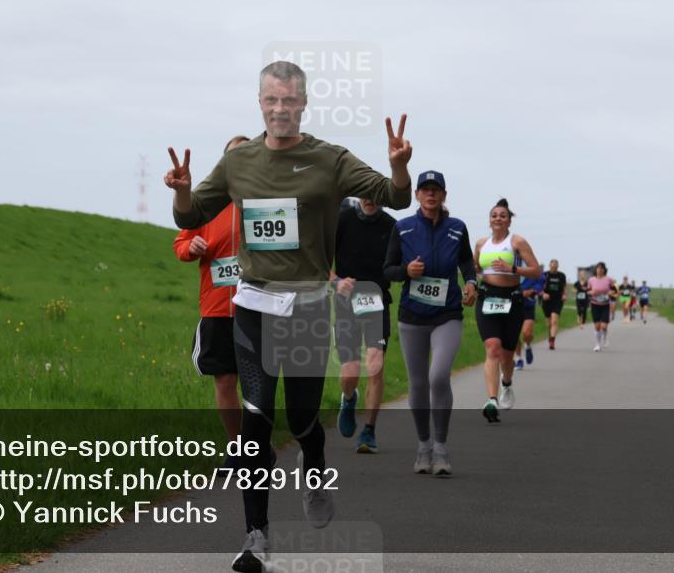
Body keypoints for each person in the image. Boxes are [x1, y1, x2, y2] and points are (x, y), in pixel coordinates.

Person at [166, 60, 412, 573]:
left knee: (302, 419)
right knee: (256, 420)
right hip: (253, 306)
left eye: (290, 101)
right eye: (272, 100)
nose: (280, 109)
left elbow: (395, 196)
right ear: (260, 102)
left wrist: (397, 166)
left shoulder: (330, 159)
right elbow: (190, 217)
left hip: (306, 307)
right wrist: (184, 190)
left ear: (303, 104)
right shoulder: (238, 161)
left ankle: (314, 465)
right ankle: (255, 536)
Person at [383, 171, 476, 474]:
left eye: (436, 190)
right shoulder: (403, 227)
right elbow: (388, 269)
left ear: (444, 195)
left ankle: (441, 447)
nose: (430, 194)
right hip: (412, 316)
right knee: (419, 383)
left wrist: (471, 282)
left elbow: (466, 261)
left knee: (438, 376)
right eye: (425, 189)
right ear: (417, 195)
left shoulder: (457, 228)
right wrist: (406, 272)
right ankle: (423, 445)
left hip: (447, 314)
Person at [173, 135, 249, 459]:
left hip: (258, 307)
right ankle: (239, 449)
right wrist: (191, 247)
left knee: (259, 384)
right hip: (218, 308)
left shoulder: (266, 199)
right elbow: (181, 243)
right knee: (225, 381)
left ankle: (257, 448)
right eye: (233, 157)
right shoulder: (208, 203)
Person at [331, 197, 396, 454]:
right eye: (365, 194)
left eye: (375, 195)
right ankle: (349, 398)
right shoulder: (342, 219)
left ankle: (369, 430)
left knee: (375, 365)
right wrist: (336, 281)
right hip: (346, 303)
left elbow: (399, 265)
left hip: (377, 302)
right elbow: (320, 259)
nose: (370, 200)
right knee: (350, 373)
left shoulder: (391, 226)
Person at [473, 198, 541, 423]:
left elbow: (536, 271)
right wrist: (471, 280)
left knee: (507, 355)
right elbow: (474, 268)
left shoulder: (517, 241)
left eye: (503, 216)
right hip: (487, 297)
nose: (498, 219)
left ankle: (507, 383)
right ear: (489, 220)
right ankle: (492, 400)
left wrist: (512, 268)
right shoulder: (481, 244)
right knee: (493, 347)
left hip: (512, 299)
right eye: (494, 215)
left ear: (509, 221)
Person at [515, 268, 545, 368]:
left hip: (528, 305)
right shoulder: (509, 263)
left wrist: (532, 290)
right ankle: (518, 359)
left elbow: (541, 278)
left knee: (527, 333)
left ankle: (527, 346)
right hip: (512, 305)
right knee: (513, 336)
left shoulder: (530, 264)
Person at [587, 262, 615, 352]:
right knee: (597, 326)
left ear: (604, 270)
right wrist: (591, 292)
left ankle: (605, 337)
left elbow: (614, 290)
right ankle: (597, 344)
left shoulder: (608, 279)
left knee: (604, 326)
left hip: (605, 305)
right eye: (598, 268)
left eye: (601, 268)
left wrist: (611, 292)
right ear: (595, 270)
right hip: (595, 304)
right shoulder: (591, 280)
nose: (599, 270)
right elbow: (588, 291)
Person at [540, 259, 568, 349]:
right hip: (547, 301)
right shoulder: (544, 275)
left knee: (554, 320)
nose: (554, 268)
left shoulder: (562, 275)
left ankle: (552, 341)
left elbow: (564, 287)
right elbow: (539, 287)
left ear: (557, 267)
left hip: (558, 300)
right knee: (549, 323)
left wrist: (564, 295)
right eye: (552, 266)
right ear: (549, 266)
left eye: (555, 267)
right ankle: (550, 336)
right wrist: (543, 294)